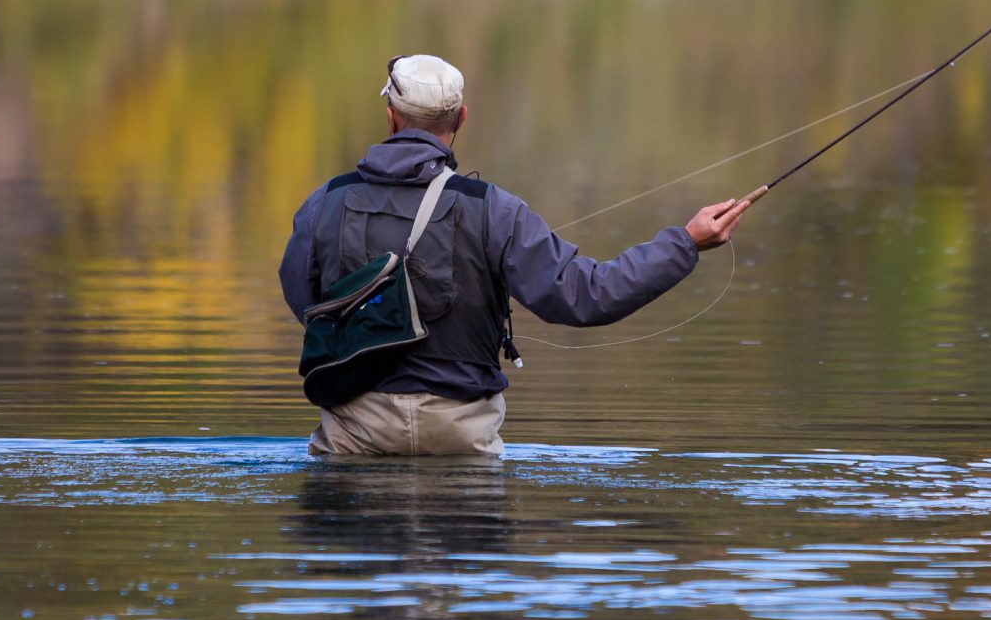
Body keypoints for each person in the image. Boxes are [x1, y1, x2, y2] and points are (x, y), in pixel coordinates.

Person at [278, 53, 755, 458]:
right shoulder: (495, 210)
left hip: (357, 426)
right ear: (461, 119)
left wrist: (366, 335)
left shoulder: (326, 202)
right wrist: (685, 242)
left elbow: (305, 299)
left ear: (390, 117)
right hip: (460, 431)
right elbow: (588, 295)